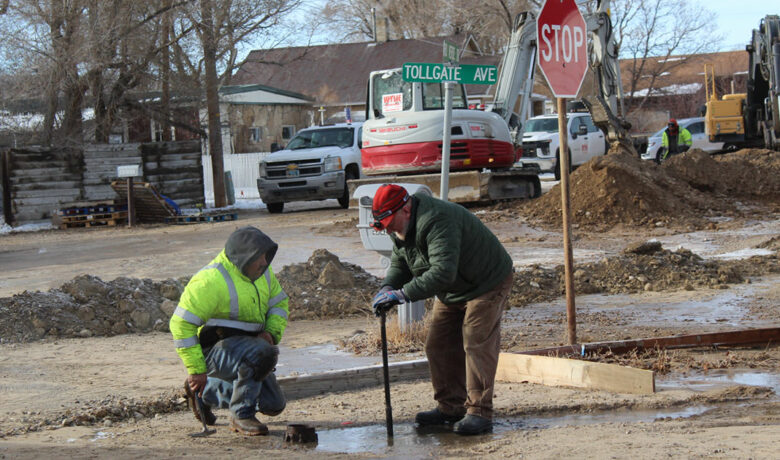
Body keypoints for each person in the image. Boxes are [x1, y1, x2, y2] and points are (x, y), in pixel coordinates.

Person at [370, 184, 513, 435]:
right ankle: (451, 407)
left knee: (476, 342)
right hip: (454, 287)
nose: (389, 230)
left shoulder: (437, 220)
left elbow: (442, 272)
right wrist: (388, 287)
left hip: (486, 282)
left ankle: (479, 412)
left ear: (406, 209)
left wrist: (403, 294)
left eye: (390, 224)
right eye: (385, 226)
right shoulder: (400, 227)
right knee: (438, 344)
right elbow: (401, 261)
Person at [170, 226, 289, 435]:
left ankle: (203, 394)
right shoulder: (210, 280)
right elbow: (181, 324)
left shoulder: (264, 274)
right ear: (244, 257)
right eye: (259, 257)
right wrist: (196, 370)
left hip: (251, 349)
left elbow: (279, 304)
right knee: (262, 353)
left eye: (266, 255)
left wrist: (270, 332)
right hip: (214, 351)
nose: (265, 262)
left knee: (273, 404)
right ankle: (241, 415)